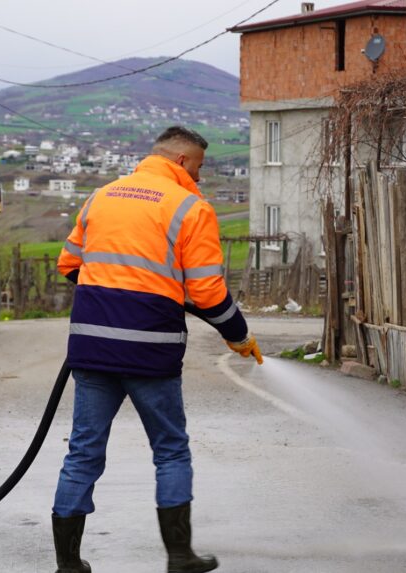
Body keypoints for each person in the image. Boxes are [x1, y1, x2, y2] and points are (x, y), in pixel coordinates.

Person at [52, 126, 263, 573]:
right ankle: (180, 557)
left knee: (83, 452)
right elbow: (206, 291)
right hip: (151, 349)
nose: (200, 177)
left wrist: (115, 296)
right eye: (199, 167)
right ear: (182, 161)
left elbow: (69, 264)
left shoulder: (101, 197)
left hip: (92, 345)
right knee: (170, 450)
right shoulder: (190, 207)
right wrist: (238, 334)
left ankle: (68, 565)